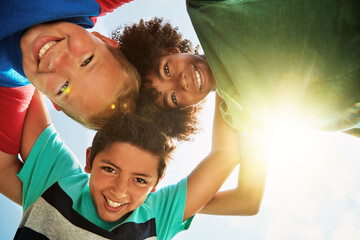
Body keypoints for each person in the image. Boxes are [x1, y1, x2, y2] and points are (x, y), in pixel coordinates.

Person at [0, 89, 267, 239]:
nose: (119, 192)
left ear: (155, 185)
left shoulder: (155, 216)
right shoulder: (58, 181)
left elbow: (225, 155)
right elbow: (26, 78)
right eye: (110, 169)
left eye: (140, 180)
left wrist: (224, 78)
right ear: (90, 159)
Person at [118, 0, 360, 139]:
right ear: (185, 108)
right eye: (172, 98)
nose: (180, 82)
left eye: (167, 71)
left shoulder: (204, 8)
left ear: (170, 51)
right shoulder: (238, 116)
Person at [0, 0, 140, 160]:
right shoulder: (88, 4)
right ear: (105, 40)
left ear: (52, 101)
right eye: (87, 60)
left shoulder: (9, 89)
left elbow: (4, 168)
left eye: (63, 88)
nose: (58, 61)